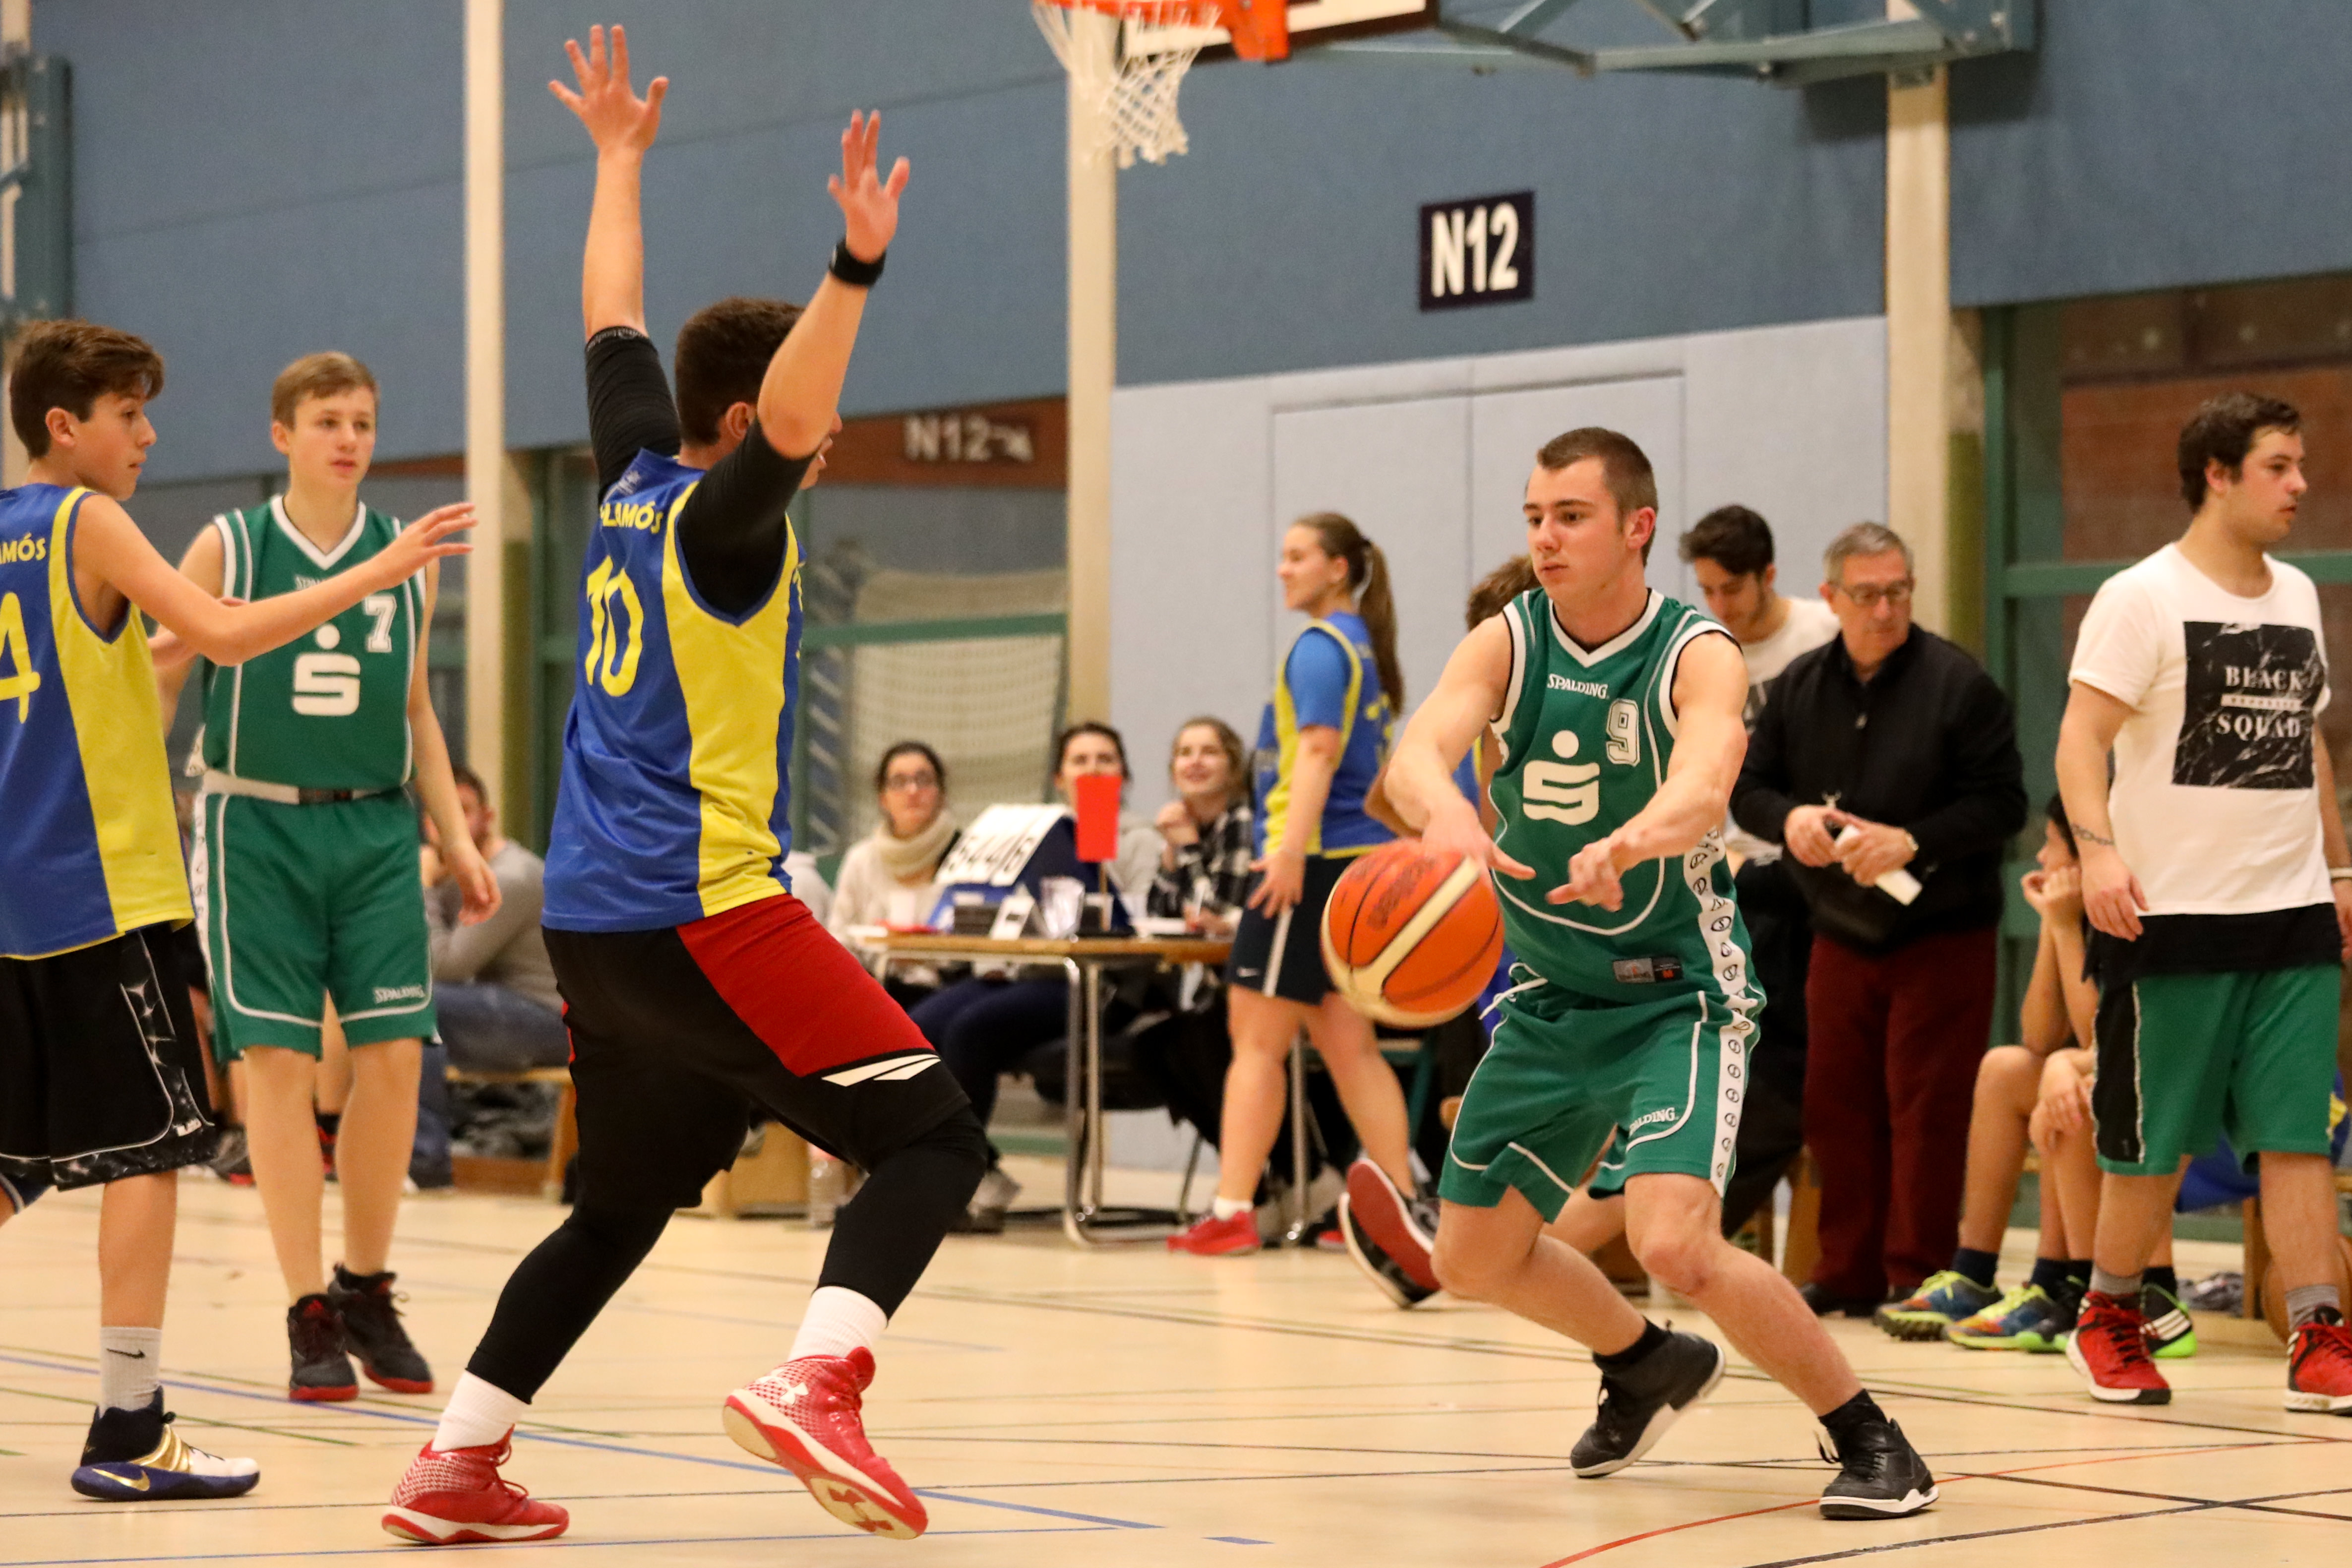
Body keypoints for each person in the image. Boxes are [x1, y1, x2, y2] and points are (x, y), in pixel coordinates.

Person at [383, 32, 987, 1546]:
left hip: (596, 925)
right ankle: (817, 1378)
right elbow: (785, 419)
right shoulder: (724, 527)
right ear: (749, 426)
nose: (821, 447)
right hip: (703, 908)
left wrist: (615, 161)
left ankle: (457, 1459)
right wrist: (855, 269)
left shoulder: (628, 478)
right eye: (806, 431)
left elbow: (611, 318)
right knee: (932, 1135)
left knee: (620, 1203)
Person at [1387, 425, 1936, 1518]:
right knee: (1469, 1258)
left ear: (1636, 527)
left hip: (1675, 995)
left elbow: (1705, 782)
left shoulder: (1696, 651)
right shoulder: (1506, 641)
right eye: (1534, 518)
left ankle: (1871, 1437)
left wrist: (1632, 841)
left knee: (1674, 1242)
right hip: (1551, 996)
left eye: (1571, 517)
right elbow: (1416, 752)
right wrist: (1442, 811)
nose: (1545, 539)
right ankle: (1645, 1363)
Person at [0, 318, 473, 1499]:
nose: (148, 436)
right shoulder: (87, 519)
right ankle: (130, 1425)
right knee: (153, 1150)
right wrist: (369, 576)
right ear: (64, 425)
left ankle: (351, 1291)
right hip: (99, 889)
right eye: (129, 415)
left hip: (14, 892)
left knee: (10, 1163)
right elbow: (218, 633)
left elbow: (143, 662)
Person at [155, 351, 493, 1403]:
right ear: (283, 435)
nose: (349, 439)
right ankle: (306, 1306)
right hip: (255, 823)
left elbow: (416, 708)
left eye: (362, 422)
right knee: (278, 1063)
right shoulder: (230, 544)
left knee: (392, 1053)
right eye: (328, 420)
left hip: (377, 827)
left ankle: (366, 1286)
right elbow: (159, 672)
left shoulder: (407, 551)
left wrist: (458, 836)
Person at [2055, 391, 2352, 1411]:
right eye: (2277, 466)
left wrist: (2337, 872)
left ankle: (2318, 1333)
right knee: (2155, 1142)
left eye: (2298, 464)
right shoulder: (2140, 597)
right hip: (2170, 917)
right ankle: (2105, 1316)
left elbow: (2306, 743)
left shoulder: (2297, 596)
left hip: (2291, 915)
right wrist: (2097, 854)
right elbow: (2078, 739)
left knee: (2295, 1134)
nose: (2298, 484)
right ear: (2216, 476)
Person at [1731, 522, 2026, 1317]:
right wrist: (1789, 817)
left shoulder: (1958, 685)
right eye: (1866, 595)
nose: (1884, 609)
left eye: (1897, 592)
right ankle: (1846, 1268)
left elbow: (2003, 804)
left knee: (1925, 1108)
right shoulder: (1799, 686)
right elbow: (1748, 787)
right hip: (1838, 929)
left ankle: (1916, 1270)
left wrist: (1913, 839)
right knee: (1835, 1104)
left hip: (1942, 932)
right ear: (1830, 598)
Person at [1165, 513, 1427, 1265]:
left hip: (1307, 866)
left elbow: (1316, 754)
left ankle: (1231, 1211)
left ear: (1338, 568)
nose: (1282, 569)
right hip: (1351, 866)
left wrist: (1285, 855)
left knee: (1254, 1041)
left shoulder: (1319, 648)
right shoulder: (1362, 645)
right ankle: (1402, 1206)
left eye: (1296, 556)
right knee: (1350, 1045)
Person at [904, 720, 1154, 1232]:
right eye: (1080, 761)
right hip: (1028, 972)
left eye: (1105, 760)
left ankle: (959, 1176)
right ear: (1060, 778)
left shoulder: (1140, 841)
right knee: (920, 1025)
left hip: (1093, 985)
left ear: (1124, 775)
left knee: (973, 1030)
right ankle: (978, 1168)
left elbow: (1146, 926)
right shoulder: (1036, 836)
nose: (1092, 770)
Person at [1130, 718, 1257, 1153]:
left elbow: (1216, 913)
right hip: (1209, 992)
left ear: (1232, 767)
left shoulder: (1241, 821)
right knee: (1149, 1049)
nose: (1195, 762)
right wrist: (1172, 852)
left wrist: (1185, 848)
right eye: (1185, 753)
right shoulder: (1187, 827)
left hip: (1249, 988)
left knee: (1198, 1045)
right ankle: (1250, 1175)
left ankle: (1285, 1171)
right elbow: (1158, 916)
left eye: (1209, 752)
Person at [829, 740, 959, 949]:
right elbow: (839, 939)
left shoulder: (966, 856)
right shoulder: (861, 861)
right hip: (869, 970)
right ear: (883, 799)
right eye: (899, 782)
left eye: (923, 780)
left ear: (942, 793)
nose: (913, 790)